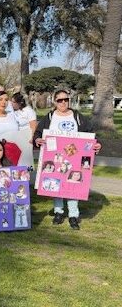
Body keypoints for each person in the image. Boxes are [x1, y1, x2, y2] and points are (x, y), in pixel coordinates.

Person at [33, 89, 101, 230]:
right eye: (60, 100)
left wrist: (97, 143)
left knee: (73, 184)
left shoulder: (77, 116)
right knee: (56, 184)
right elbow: (38, 133)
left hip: (74, 156)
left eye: (66, 100)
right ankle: (58, 212)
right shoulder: (50, 117)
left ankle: (73, 215)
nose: (63, 102)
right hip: (55, 156)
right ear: (55, 101)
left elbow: (90, 133)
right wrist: (37, 139)